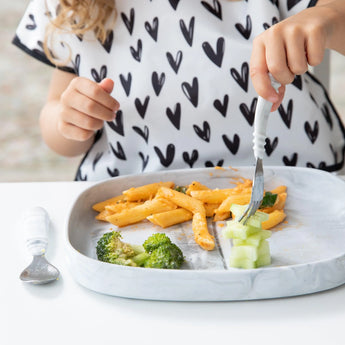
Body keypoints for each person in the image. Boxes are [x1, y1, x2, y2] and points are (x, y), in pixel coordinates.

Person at [12, 0, 345, 181]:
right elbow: (56, 117)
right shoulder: (73, 5)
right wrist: (67, 119)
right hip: (135, 185)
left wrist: (327, 16)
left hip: (291, 177)